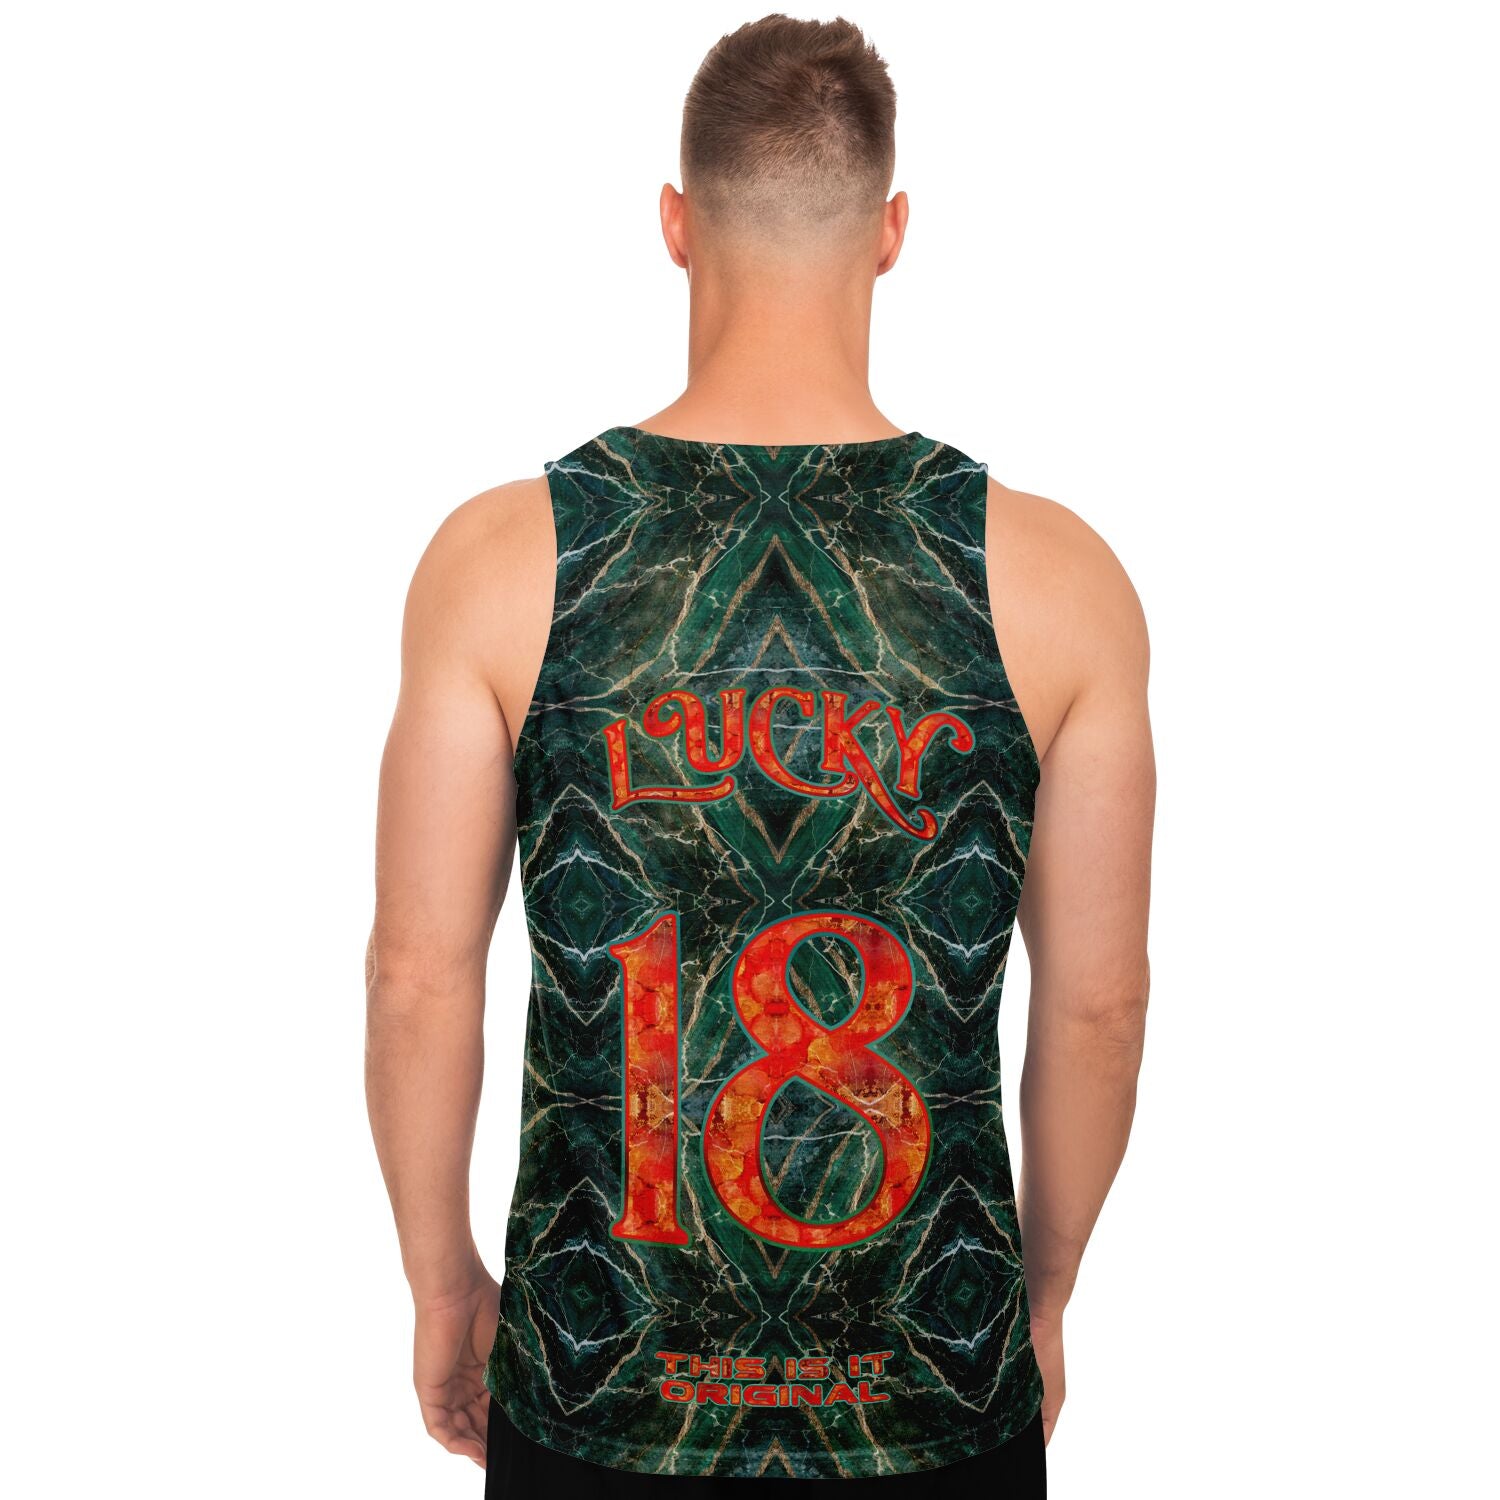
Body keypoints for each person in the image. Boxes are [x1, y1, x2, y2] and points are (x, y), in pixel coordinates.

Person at [366, 14, 1153, 1495]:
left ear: (675, 224)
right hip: (931, 1391)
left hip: (603, 1391)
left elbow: (418, 973)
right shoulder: (1057, 580)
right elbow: (1101, 1003)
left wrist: (440, 1279)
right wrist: (1041, 1300)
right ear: (893, 232)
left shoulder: (504, 560)